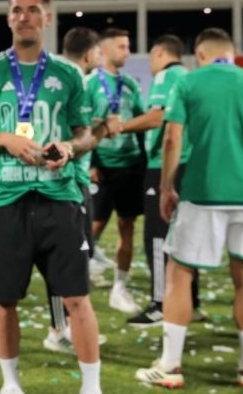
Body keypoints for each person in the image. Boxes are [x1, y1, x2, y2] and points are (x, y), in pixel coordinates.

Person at [0, 0, 102, 394]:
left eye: (33, 9)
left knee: (77, 297)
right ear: (9, 17)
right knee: (5, 299)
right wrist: (6, 139)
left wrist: (70, 148)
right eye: (17, 10)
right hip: (6, 200)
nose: (25, 16)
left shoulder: (68, 73)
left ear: (47, 17)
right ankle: (11, 384)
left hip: (60, 197)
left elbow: (86, 132)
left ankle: (92, 387)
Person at [135, 27, 243, 389]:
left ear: (200, 55)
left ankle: (171, 366)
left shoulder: (189, 83)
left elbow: (172, 137)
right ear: (232, 52)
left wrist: (166, 186)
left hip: (201, 191)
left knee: (180, 272)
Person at [108, 35, 201, 327]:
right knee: (184, 236)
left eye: (150, 56)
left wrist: (121, 127)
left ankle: (160, 303)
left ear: (159, 52)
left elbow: (159, 116)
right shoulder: (187, 76)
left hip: (165, 165)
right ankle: (191, 302)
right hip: (189, 165)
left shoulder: (165, 76)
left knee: (157, 236)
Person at [41, 25, 114, 356]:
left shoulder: (57, 77)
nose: (101, 56)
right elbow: (78, 142)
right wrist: (103, 129)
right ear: (89, 54)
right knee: (64, 259)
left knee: (72, 259)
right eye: (98, 51)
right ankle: (59, 329)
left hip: (71, 179)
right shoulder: (77, 82)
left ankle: (67, 326)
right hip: (68, 181)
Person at [85, 28, 146, 315]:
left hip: (130, 164)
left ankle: (119, 288)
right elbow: (81, 126)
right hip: (102, 166)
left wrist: (144, 161)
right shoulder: (89, 84)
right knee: (94, 225)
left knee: (127, 225)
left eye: (128, 46)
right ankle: (82, 271)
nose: (127, 52)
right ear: (105, 49)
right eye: (122, 47)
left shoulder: (130, 84)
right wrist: (92, 162)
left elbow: (142, 121)